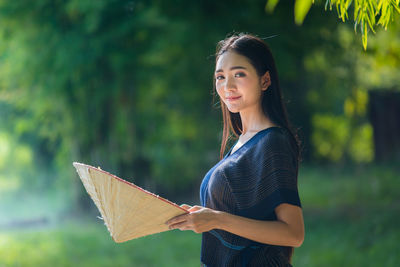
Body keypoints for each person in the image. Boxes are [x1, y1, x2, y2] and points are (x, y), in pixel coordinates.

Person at [165, 33, 304, 266]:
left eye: (239, 74)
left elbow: (293, 233)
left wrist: (217, 220)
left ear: (265, 80)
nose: (227, 86)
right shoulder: (242, 142)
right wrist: (202, 218)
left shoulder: (272, 143)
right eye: (220, 76)